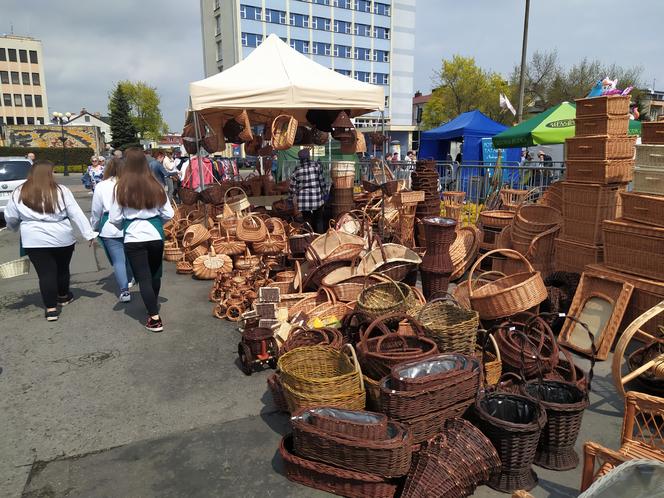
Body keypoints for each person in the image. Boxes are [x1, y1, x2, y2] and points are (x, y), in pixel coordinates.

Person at [4, 160, 98, 321]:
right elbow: (75, 213)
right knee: (62, 268)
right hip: (61, 235)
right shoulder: (61, 190)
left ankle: (51, 308)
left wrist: (13, 227)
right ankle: (63, 295)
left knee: (46, 273)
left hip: (33, 238)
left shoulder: (19, 191)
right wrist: (88, 234)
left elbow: (11, 216)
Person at [109, 148, 174, 332]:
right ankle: (152, 305)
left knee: (143, 277)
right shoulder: (155, 185)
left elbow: (114, 218)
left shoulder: (120, 187)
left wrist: (127, 224)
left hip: (133, 237)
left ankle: (154, 317)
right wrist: (156, 221)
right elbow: (169, 213)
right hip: (154, 234)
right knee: (155, 273)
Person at [90, 158, 133, 303]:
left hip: (109, 225)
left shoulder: (101, 186)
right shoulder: (130, 183)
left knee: (118, 260)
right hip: (130, 222)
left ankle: (124, 290)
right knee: (131, 256)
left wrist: (94, 227)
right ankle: (131, 278)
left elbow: (96, 210)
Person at [289, 148, 325, 233]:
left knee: (307, 221)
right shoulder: (316, 166)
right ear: (309, 157)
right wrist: (325, 193)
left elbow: (292, 187)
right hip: (317, 199)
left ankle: (308, 240)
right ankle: (319, 239)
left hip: (303, 201)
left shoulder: (297, 170)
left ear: (300, 159)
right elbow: (322, 182)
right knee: (319, 220)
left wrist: (290, 198)